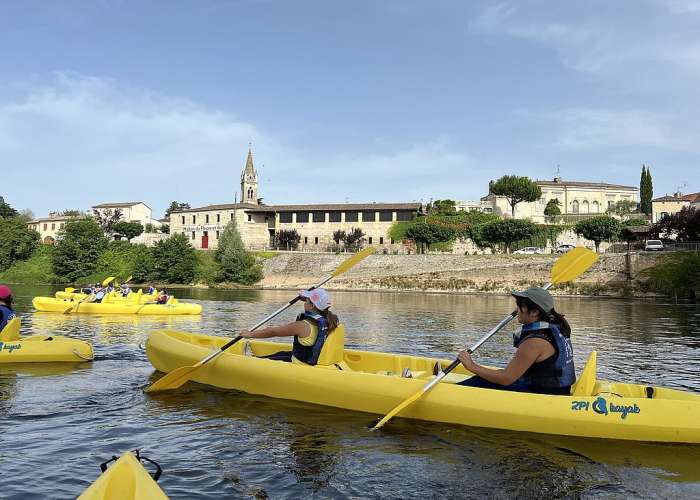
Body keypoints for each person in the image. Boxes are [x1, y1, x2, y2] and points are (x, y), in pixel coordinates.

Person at [457, 287, 575, 395]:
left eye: (520, 306)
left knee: (479, 382)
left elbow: (506, 379)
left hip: (543, 395)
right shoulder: (556, 327)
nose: (516, 310)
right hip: (558, 389)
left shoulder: (535, 342)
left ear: (535, 312)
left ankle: (450, 396)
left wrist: (471, 366)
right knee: (492, 375)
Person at [239, 288, 339, 365]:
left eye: (306, 301)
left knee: (268, 361)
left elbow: (273, 332)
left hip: (300, 364)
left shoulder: (302, 326)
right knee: (281, 353)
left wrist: (249, 334)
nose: (304, 303)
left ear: (312, 306)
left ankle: (250, 361)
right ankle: (253, 358)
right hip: (310, 358)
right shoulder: (331, 320)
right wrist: (307, 297)